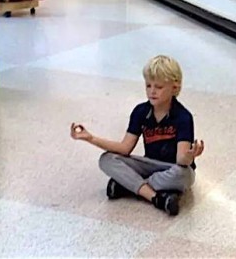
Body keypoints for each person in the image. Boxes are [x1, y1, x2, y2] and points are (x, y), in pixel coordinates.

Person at [70, 55, 204, 216]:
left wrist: (189, 157)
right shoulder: (140, 112)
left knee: (184, 176)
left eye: (159, 87)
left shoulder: (183, 117)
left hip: (172, 168)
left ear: (174, 88)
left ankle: (128, 185)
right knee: (106, 160)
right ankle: (157, 197)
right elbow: (124, 148)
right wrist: (91, 138)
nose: (152, 91)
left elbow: (180, 160)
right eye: (148, 85)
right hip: (148, 164)